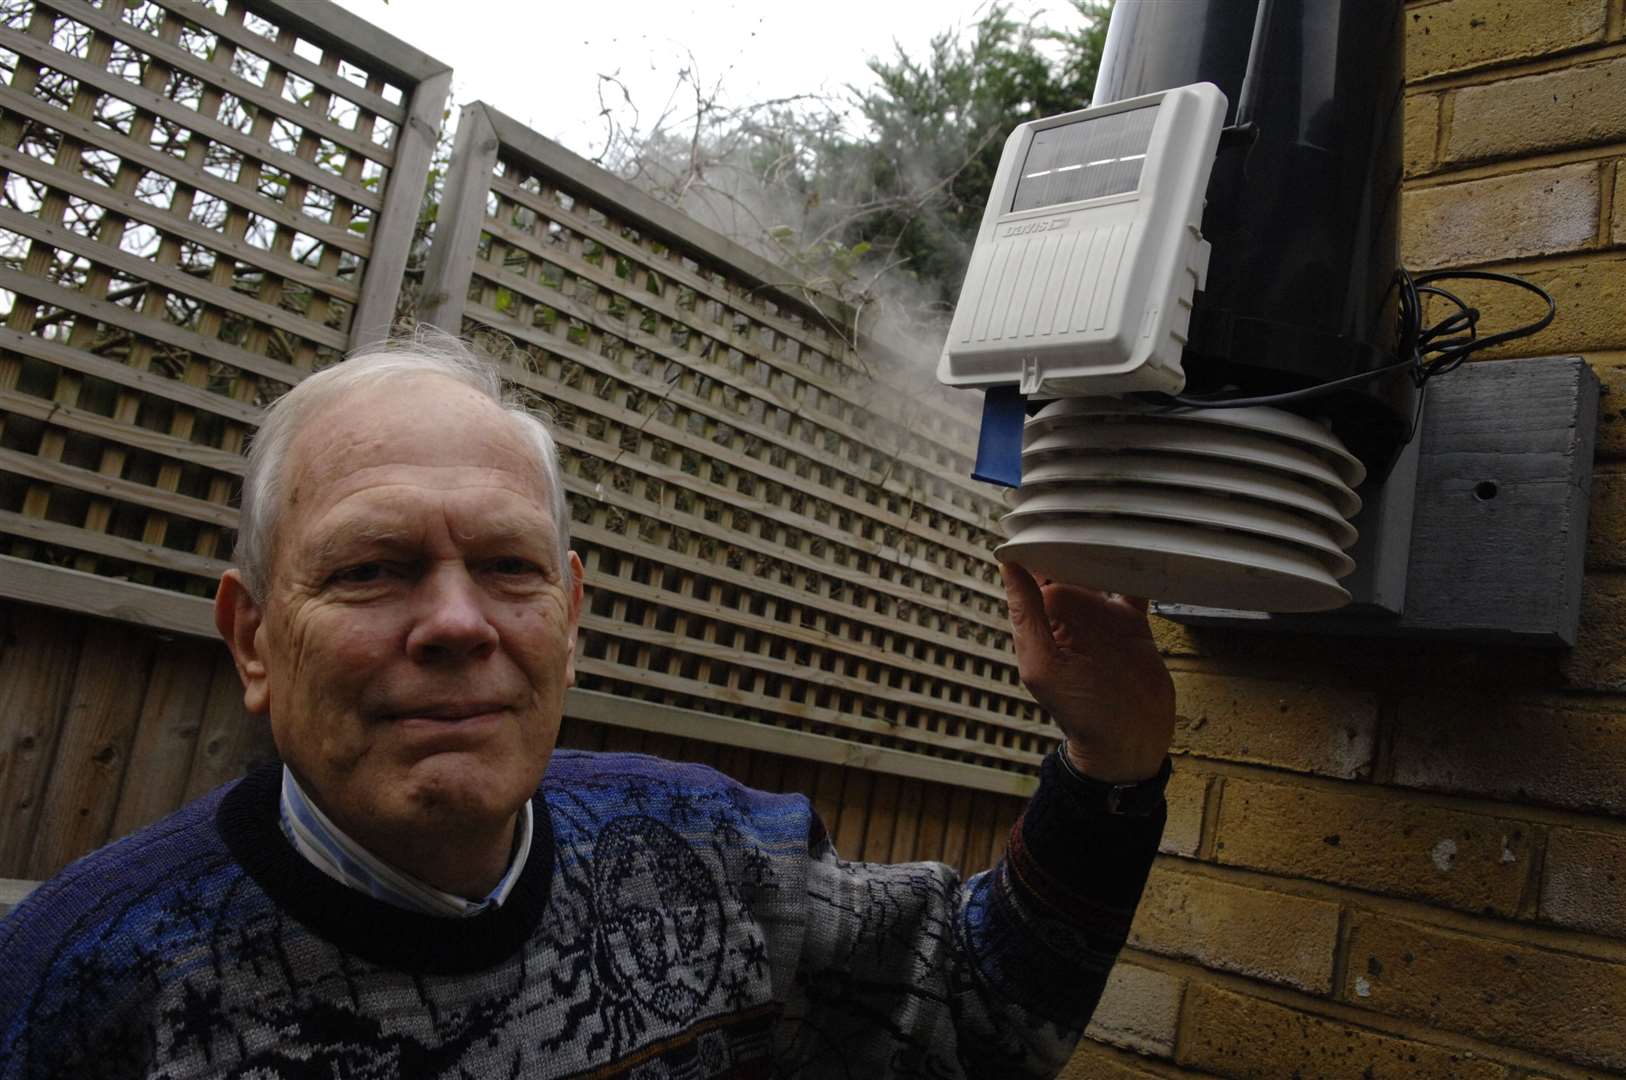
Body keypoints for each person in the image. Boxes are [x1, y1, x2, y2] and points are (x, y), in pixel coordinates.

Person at [0, 333, 1176, 1079]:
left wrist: (1111, 753)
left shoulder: (724, 863)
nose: (459, 622)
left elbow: (975, 1012)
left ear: (570, 616)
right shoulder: (77, 980)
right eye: (372, 568)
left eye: (508, 568)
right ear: (252, 637)